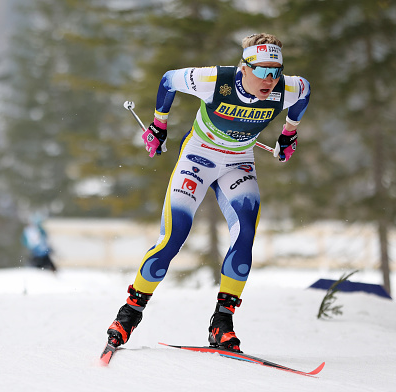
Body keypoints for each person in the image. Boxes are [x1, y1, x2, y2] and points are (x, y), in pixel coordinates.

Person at [107, 33, 310, 351]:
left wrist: (289, 134)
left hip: (238, 163)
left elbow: (304, 93)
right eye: (262, 71)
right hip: (197, 160)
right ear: (244, 68)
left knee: (244, 237)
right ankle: (129, 314)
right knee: (173, 239)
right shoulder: (215, 80)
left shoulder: (289, 88)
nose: (270, 80)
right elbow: (168, 80)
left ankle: (222, 324)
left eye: (276, 72)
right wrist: (160, 126)